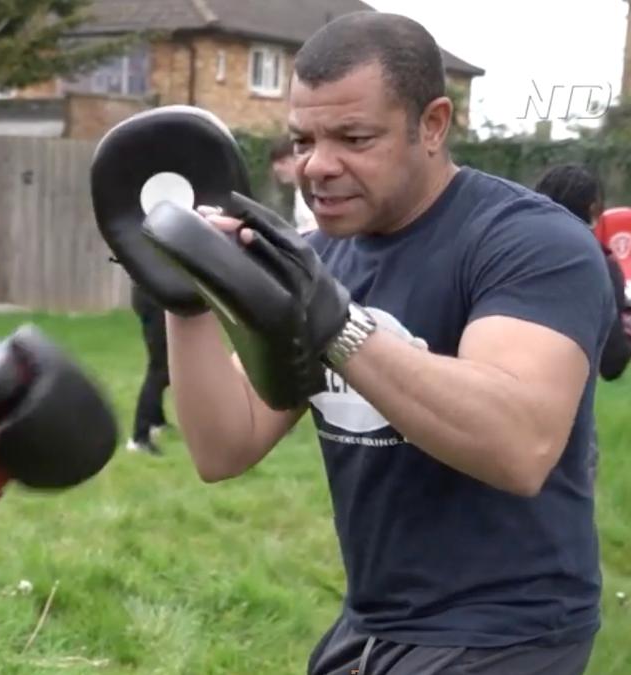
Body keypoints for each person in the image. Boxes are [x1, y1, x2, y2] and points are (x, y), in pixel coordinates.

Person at [161, 12, 610, 675]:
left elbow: (520, 444)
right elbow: (227, 444)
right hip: (374, 623)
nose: (318, 165)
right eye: (303, 139)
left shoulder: (530, 242)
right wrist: (185, 296)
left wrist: (338, 326)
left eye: (354, 138)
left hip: (507, 629)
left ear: (432, 125)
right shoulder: (321, 259)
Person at [534, 162, 631, 380]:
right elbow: (612, 361)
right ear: (594, 209)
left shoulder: (504, 253)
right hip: (557, 396)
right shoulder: (598, 264)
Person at [127, 283, 169, 455]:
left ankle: (156, 420)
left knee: (163, 366)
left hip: (151, 295)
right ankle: (140, 438)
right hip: (155, 298)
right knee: (159, 369)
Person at [270, 135, 318, 233]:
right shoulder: (299, 192)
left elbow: (314, 229)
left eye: (283, 162)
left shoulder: (313, 193)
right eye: (274, 163)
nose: (277, 169)